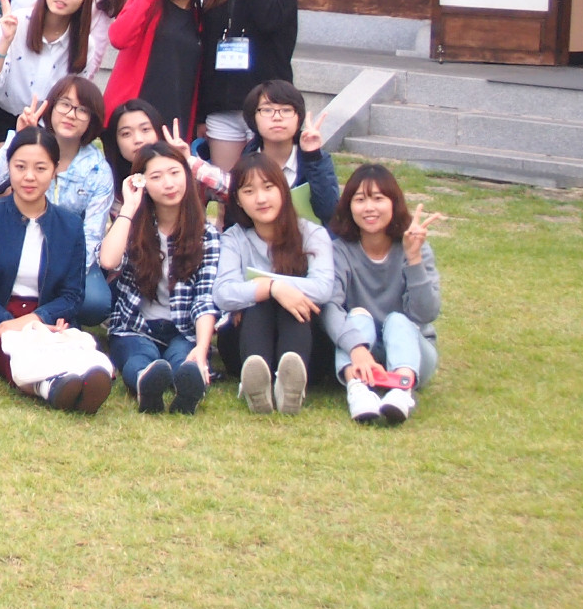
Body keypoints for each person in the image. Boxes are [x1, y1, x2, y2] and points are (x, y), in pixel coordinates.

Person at [0, 127, 115, 413]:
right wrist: (5, 322)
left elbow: (72, 295)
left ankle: (80, 378)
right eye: (20, 167)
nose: (29, 176)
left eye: (40, 168)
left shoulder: (70, 225)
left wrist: (35, 320)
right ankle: (53, 386)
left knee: (66, 342)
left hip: (46, 316)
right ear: (9, 167)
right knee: (12, 346)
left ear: (55, 170)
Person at [0, 74, 115, 326]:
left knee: (95, 302)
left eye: (82, 110)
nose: (71, 114)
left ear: (92, 119)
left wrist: (56, 274)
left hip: (69, 256)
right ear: (51, 107)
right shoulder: (34, 144)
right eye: (65, 104)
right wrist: (19, 137)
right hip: (18, 239)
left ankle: (54, 311)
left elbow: (92, 235)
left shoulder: (98, 170)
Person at [98, 142, 220, 413]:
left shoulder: (206, 235)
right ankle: (146, 384)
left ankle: (189, 387)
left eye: (175, 173)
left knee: (184, 360)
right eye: (156, 177)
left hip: (183, 328)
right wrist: (130, 206)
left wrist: (202, 348)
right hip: (134, 326)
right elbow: (108, 260)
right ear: (142, 183)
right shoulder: (133, 226)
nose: (168, 183)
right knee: (139, 359)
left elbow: (205, 298)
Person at [213, 153, 335, 414]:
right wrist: (272, 288)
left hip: (309, 346)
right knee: (261, 304)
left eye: (268, 187)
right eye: (249, 191)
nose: (261, 198)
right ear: (238, 200)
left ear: (283, 190)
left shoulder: (311, 233)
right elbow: (222, 293)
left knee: (292, 306)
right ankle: (257, 382)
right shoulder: (234, 238)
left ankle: (290, 385)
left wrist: (275, 289)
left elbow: (323, 287)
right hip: (243, 343)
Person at [325, 164, 443, 425]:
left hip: (413, 354)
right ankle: (358, 390)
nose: (369, 208)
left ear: (394, 203)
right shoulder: (338, 251)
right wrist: (357, 349)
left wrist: (413, 259)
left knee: (398, 320)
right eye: (360, 200)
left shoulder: (416, 248)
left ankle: (401, 391)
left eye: (378, 198)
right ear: (348, 206)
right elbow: (330, 307)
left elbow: (426, 313)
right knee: (356, 316)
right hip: (361, 352)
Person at [200, 0, 301, 172]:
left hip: (267, 102)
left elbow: (270, 21)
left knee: (265, 183)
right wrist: (202, 112)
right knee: (224, 186)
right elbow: (207, 46)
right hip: (222, 103)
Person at [105, 0, 209, 134]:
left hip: (175, 122)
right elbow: (118, 38)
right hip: (131, 120)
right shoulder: (147, 0)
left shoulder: (202, 19)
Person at [0, 0, 97, 131]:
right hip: (1, 117)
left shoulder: (86, 44)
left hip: (50, 125)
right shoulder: (16, 22)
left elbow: (77, 99)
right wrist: (5, 42)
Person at [241, 80, 341, 221]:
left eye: (286, 110)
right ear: (253, 118)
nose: (277, 117)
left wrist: (312, 157)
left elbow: (329, 211)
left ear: (298, 117)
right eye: (267, 110)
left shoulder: (318, 159)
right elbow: (236, 217)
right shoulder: (245, 161)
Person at [103, 96, 229, 201]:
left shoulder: (181, 172)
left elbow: (232, 191)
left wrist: (187, 161)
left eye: (145, 129)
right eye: (126, 134)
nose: (138, 139)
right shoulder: (110, 183)